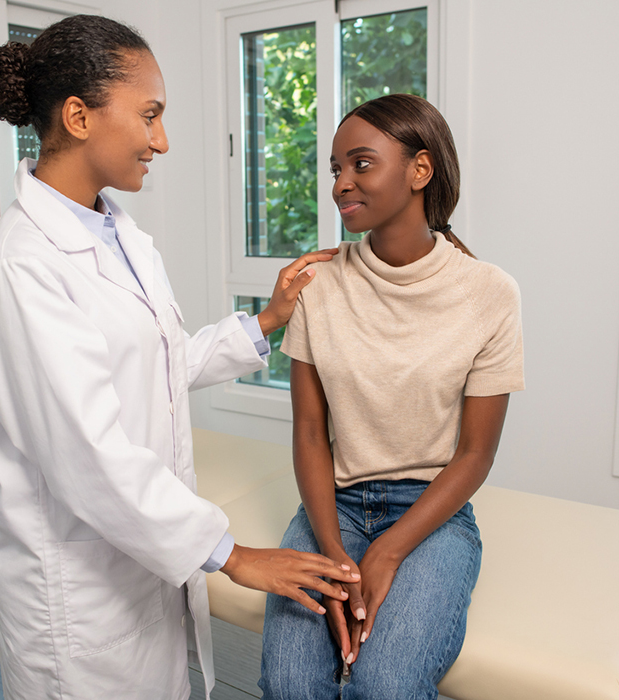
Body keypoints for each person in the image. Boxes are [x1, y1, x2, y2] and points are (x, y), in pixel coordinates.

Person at [0, 15, 358, 700]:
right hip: (77, 600)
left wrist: (266, 321)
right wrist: (232, 555)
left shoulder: (121, 236)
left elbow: (156, 367)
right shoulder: (20, 267)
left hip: (138, 563)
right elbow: (87, 454)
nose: (160, 141)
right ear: (79, 116)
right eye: (149, 116)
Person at [258, 93, 525, 700]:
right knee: (290, 685)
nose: (341, 183)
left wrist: (387, 553)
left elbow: (475, 455)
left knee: (384, 686)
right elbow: (307, 433)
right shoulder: (318, 284)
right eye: (335, 169)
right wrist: (333, 556)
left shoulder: (488, 293)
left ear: (419, 170)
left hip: (431, 514)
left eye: (360, 164)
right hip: (335, 508)